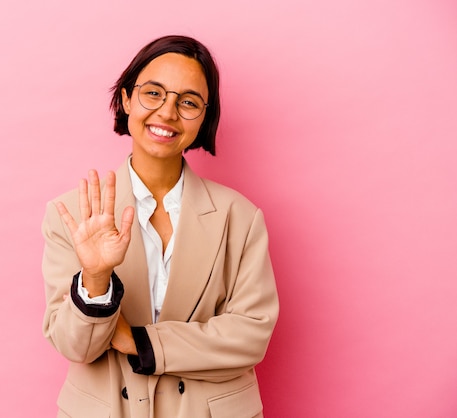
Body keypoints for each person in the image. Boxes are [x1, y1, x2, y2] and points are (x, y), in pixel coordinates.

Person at [42, 35, 279, 418]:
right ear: (126, 99)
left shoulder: (241, 217)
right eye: (153, 93)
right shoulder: (70, 214)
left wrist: (141, 343)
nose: (167, 112)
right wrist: (96, 277)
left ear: (203, 117)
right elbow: (76, 348)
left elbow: (250, 336)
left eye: (187, 102)